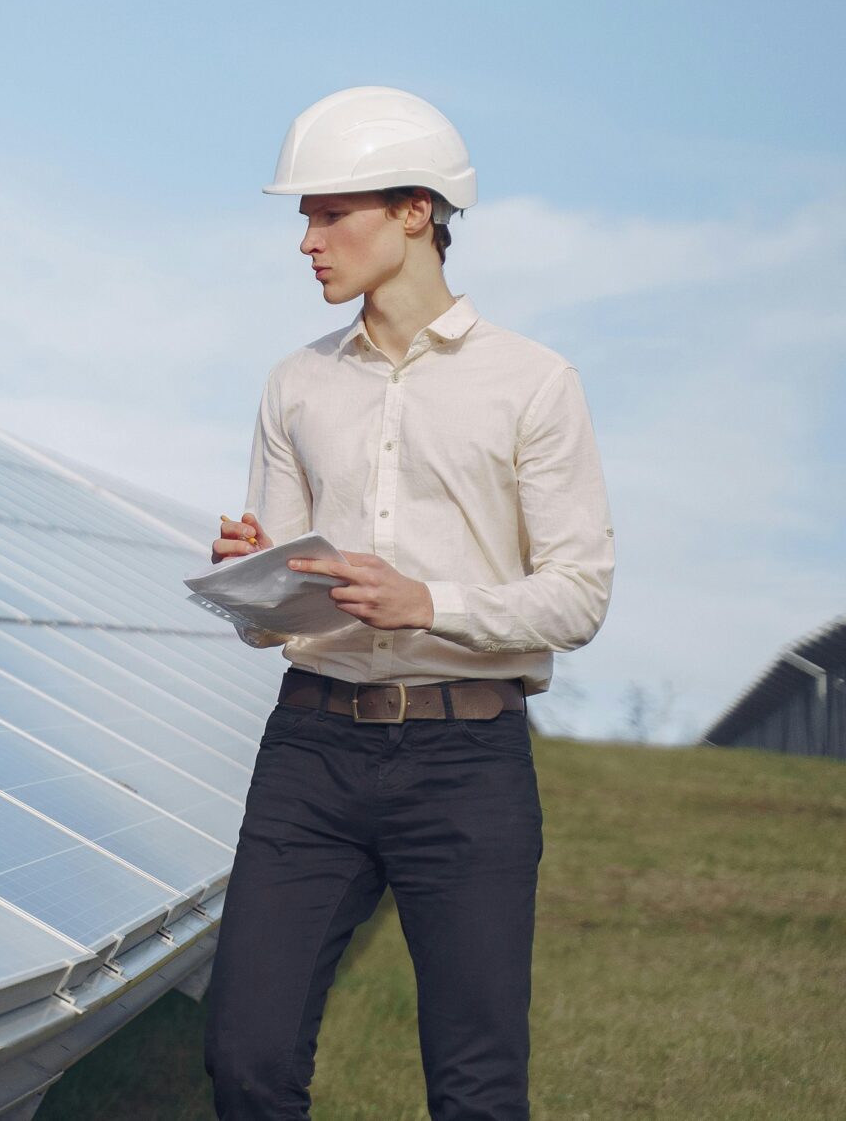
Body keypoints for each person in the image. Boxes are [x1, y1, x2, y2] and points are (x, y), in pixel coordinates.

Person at [199, 86, 615, 1121]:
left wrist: (427, 602)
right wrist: (258, 579)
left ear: (415, 212)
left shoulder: (532, 383)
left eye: (329, 213)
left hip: (466, 763)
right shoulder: (293, 384)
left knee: (475, 1088)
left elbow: (577, 595)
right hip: (309, 752)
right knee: (245, 1059)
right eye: (303, 216)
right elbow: (273, 623)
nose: (306, 240)